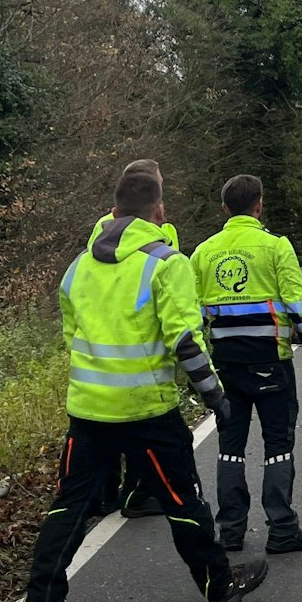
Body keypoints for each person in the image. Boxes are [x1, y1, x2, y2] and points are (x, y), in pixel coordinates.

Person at [20, 163, 267, 602]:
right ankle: (219, 586)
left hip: (88, 412)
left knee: (69, 506)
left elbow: (72, 339)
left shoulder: (78, 267)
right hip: (148, 413)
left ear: (112, 209)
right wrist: (215, 396)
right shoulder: (165, 264)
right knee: (183, 502)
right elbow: (186, 342)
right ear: (158, 210)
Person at [190, 174, 302, 554]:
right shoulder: (275, 247)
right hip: (272, 364)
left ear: (224, 209)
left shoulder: (203, 253)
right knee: (278, 444)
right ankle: (282, 529)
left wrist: (200, 367)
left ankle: (230, 531)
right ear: (260, 205)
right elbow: (299, 304)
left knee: (230, 447)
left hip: (226, 367)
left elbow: (190, 317)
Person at [87, 159, 179, 523]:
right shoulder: (162, 232)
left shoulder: (102, 226)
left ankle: (112, 493)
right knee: (140, 426)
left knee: (106, 425)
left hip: (106, 340)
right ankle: (130, 493)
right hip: (135, 340)